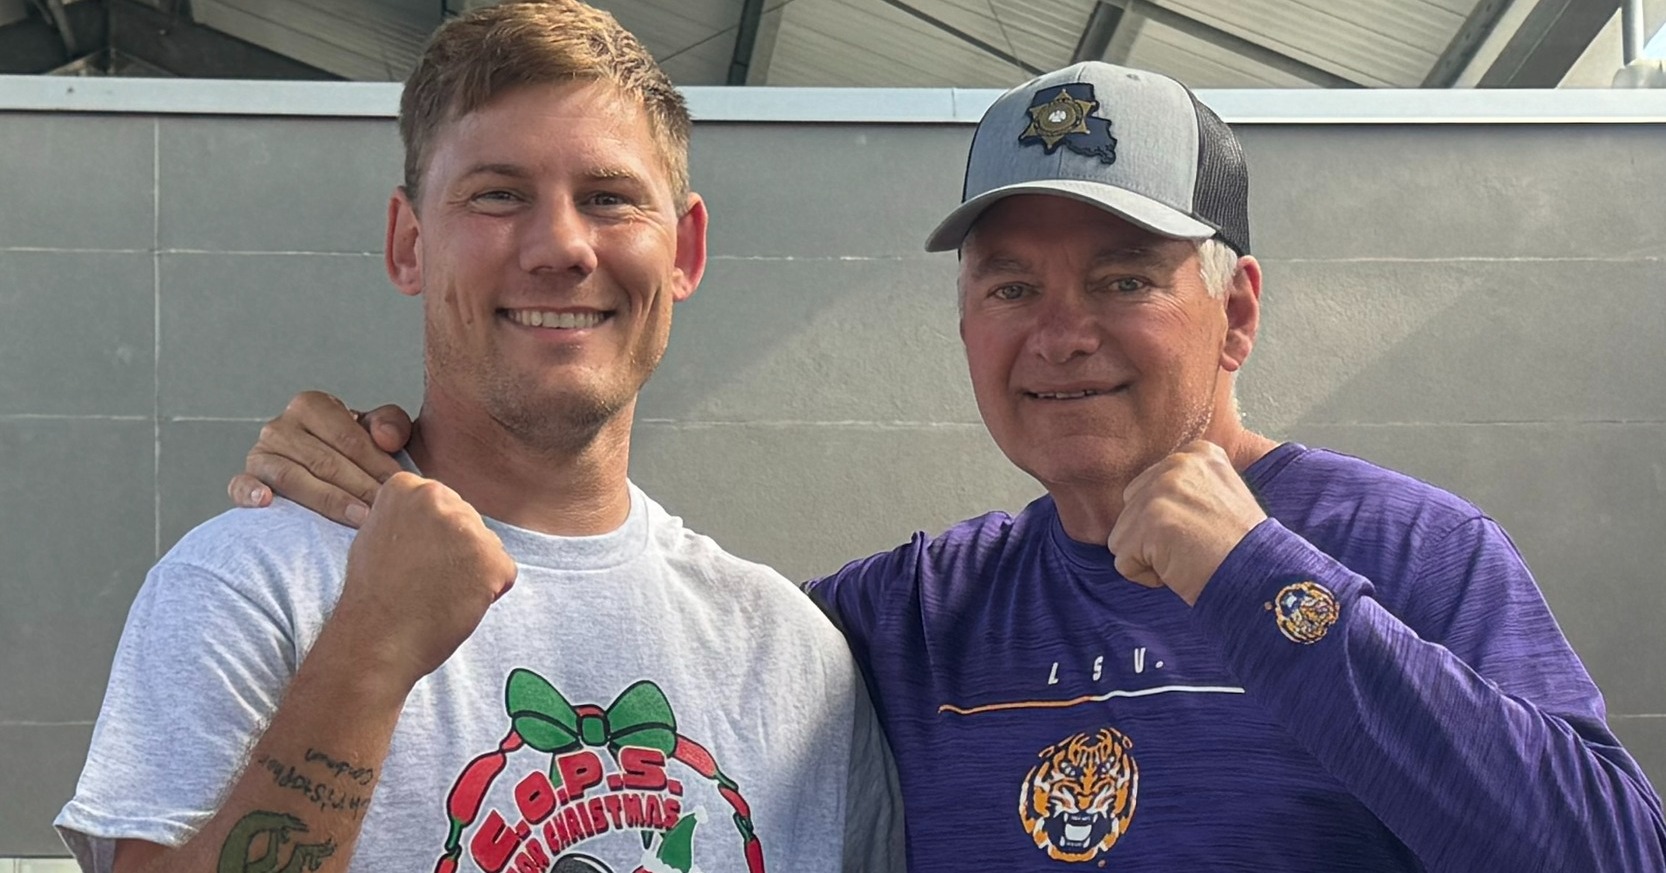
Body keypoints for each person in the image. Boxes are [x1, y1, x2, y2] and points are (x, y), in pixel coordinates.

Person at [226, 61, 1666, 870]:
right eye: (1007, 286)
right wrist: (383, 477)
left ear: (1237, 308)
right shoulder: (921, 616)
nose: (1059, 336)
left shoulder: (1405, 553)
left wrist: (1264, 586)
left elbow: (1608, 854)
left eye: (1120, 278)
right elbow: (649, 635)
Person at [55, 4, 902, 873]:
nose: (562, 246)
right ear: (409, 243)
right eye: (498, 195)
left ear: (683, 249)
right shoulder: (251, 587)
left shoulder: (789, 657)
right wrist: (371, 647)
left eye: (610, 198)